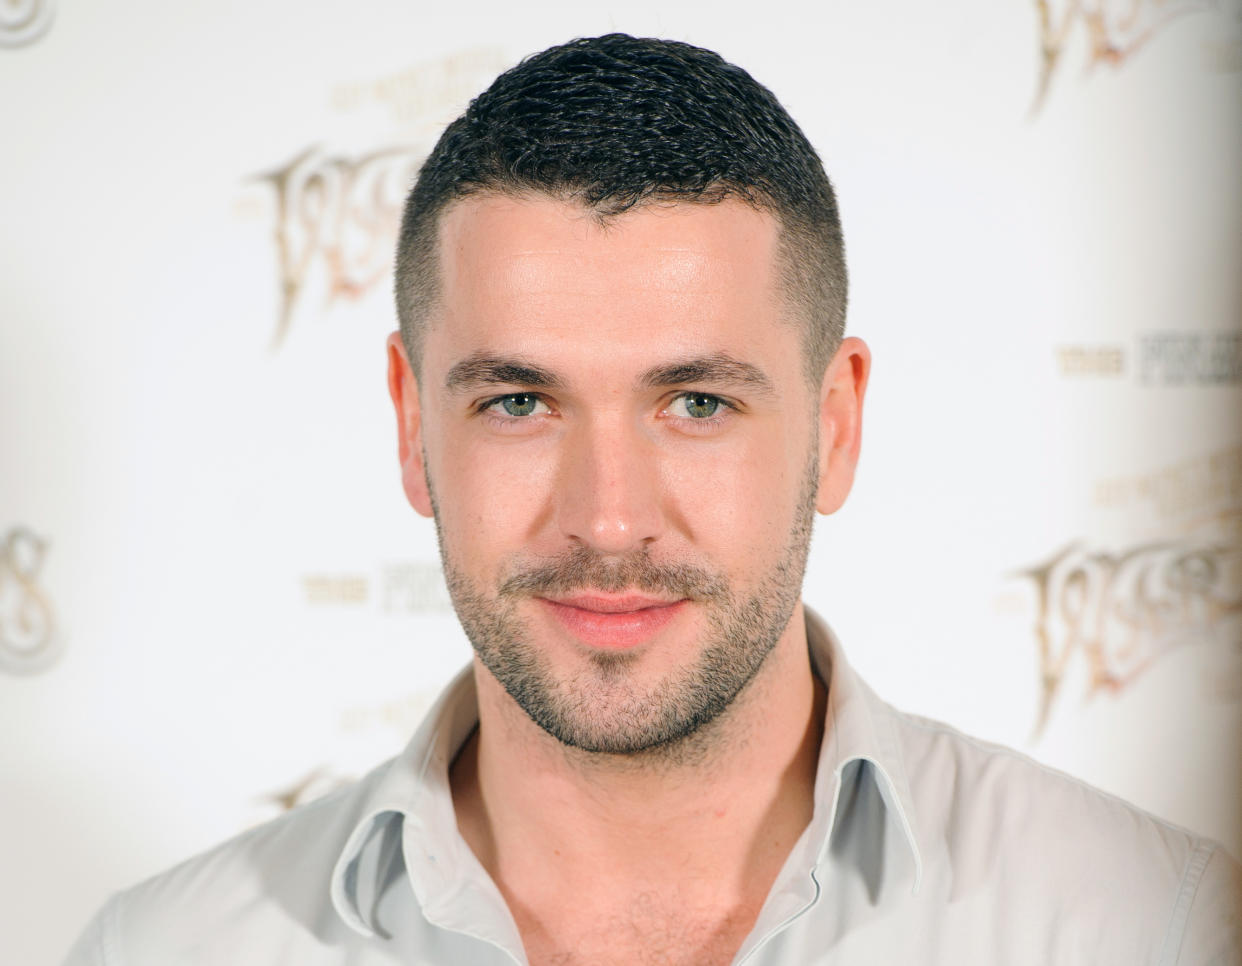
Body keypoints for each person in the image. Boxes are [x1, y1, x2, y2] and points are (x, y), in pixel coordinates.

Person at [65, 33, 1240, 966]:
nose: (610, 520)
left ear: (836, 424)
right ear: (410, 426)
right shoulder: (163, 951)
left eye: (697, 405)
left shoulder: (1151, 927)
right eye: (520, 403)